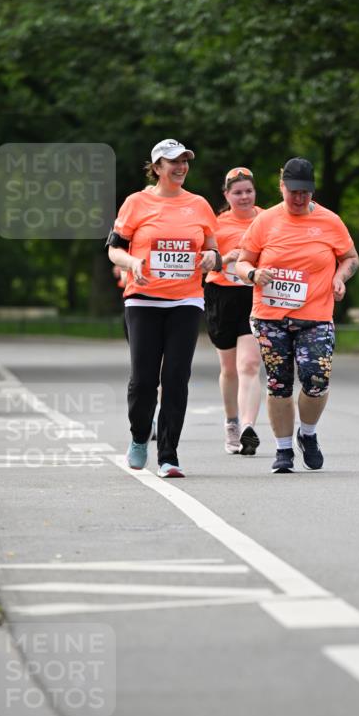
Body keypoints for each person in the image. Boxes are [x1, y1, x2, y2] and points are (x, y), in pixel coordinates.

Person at [236, 157, 359, 473]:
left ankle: (308, 434)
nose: (299, 198)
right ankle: (284, 450)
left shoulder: (330, 221)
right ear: (281, 187)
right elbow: (241, 261)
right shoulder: (265, 222)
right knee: (279, 383)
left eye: (305, 192)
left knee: (316, 379)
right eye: (293, 192)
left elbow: (350, 258)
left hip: (316, 314)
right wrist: (253, 274)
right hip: (270, 316)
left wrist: (339, 277)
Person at [107, 139, 221, 477]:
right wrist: (132, 263)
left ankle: (169, 454)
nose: (181, 166)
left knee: (175, 378)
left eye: (185, 160)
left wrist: (209, 259)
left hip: (186, 300)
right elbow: (114, 250)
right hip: (142, 299)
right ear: (156, 167)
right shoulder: (136, 203)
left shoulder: (199, 205)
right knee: (143, 380)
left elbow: (214, 253)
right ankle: (140, 436)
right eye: (173, 161)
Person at [204, 167, 263, 455]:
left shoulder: (267, 220)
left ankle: (248, 427)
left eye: (248, 191)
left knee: (249, 365)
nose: (244, 197)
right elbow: (203, 262)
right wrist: (226, 258)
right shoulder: (215, 224)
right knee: (229, 369)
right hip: (221, 296)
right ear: (227, 195)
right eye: (237, 192)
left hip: (256, 295)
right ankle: (232, 423)